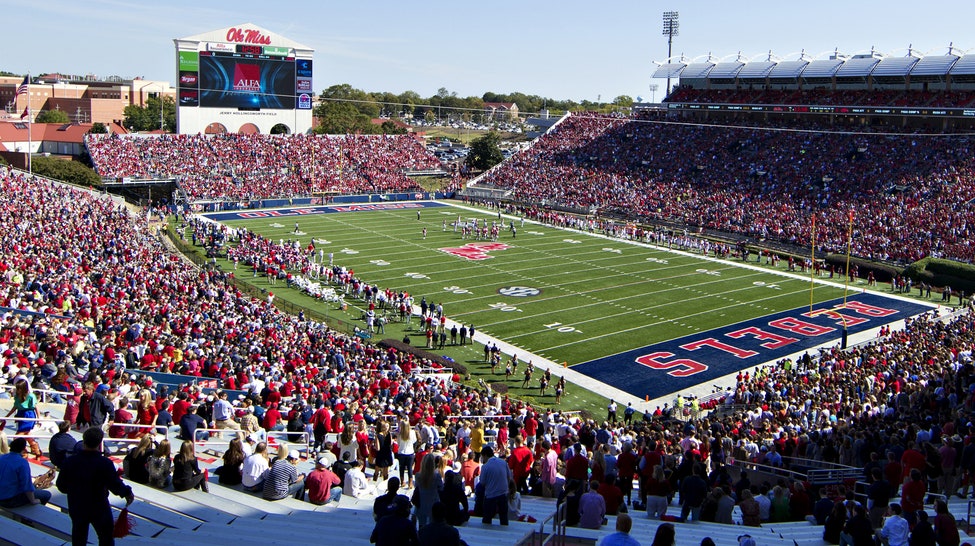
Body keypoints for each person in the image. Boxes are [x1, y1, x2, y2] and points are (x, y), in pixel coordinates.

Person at [56, 427, 134, 546]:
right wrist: (127, 492)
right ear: (99, 443)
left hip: (77, 504)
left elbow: (61, 486)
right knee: (106, 537)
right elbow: (114, 485)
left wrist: (75, 490)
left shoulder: (70, 461)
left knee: (78, 538)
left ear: (84, 440)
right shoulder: (104, 463)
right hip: (98, 505)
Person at [0, 437, 52, 507]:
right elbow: (26, 485)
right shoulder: (22, 463)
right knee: (46, 495)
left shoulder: (2, 457)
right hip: (9, 499)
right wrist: (33, 500)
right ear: (23, 449)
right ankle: (31, 515)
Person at [4, 380, 41, 458]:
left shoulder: (31, 396)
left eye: (19, 388)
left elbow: (36, 408)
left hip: (28, 416)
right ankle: (36, 449)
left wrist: (38, 419)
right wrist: (6, 417)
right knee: (26, 434)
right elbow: (15, 407)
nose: (17, 390)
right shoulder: (17, 396)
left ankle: (23, 452)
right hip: (21, 414)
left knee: (18, 436)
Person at [479, 445, 512, 525]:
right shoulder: (503, 462)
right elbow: (509, 477)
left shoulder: (485, 467)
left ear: (485, 455)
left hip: (490, 496)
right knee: (503, 518)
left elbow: (482, 482)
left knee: (487, 519)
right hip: (503, 494)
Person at [395, 418, 417, 489]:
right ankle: (410, 483)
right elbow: (414, 441)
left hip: (401, 452)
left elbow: (398, 443)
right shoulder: (412, 432)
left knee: (401, 468)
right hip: (410, 452)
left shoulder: (399, 434)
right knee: (410, 468)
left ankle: (402, 482)